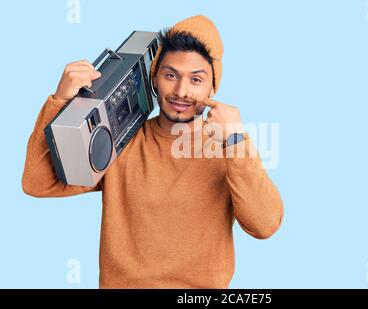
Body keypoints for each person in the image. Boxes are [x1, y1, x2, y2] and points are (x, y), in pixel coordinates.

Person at [22, 15, 283, 288]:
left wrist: (236, 141)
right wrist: (60, 102)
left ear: (212, 87)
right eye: (171, 75)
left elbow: (265, 225)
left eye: (196, 80)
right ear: (154, 78)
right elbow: (38, 183)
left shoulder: (229, 148)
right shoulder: (121, 141)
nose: (181, 91)